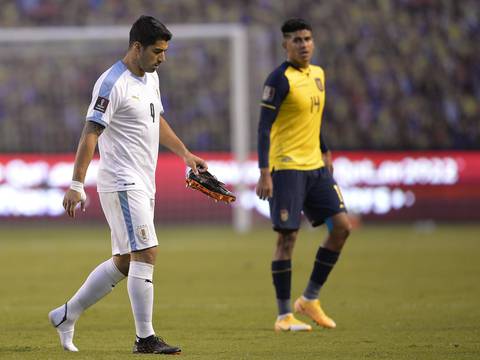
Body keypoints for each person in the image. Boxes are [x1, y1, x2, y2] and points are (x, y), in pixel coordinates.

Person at [48, 15, 207, 354]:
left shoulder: (151, 77)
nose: (162, 58)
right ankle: (145, 339)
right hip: (122, 182)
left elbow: (156, 119)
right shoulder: (111, 84)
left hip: (143, 181)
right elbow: (91, 132)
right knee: (146, 252)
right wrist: (76, 184)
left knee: (124, 261)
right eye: (157, 51)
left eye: (165, 51)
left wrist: (185, 154)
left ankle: (66, 314)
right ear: (137, 47)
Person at [255, 18, 352, 332]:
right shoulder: (278, 79)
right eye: (296, 40)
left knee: (341, 227)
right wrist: (264, 172)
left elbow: (314, 117)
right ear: (285, 44)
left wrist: (325, 150)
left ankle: (309, 299)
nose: (304, 44)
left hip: (316, 166)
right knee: (287, 238)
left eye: (308, 38)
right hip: (286, 168)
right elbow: (263, 127)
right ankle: (284, 316)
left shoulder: (319, 74)